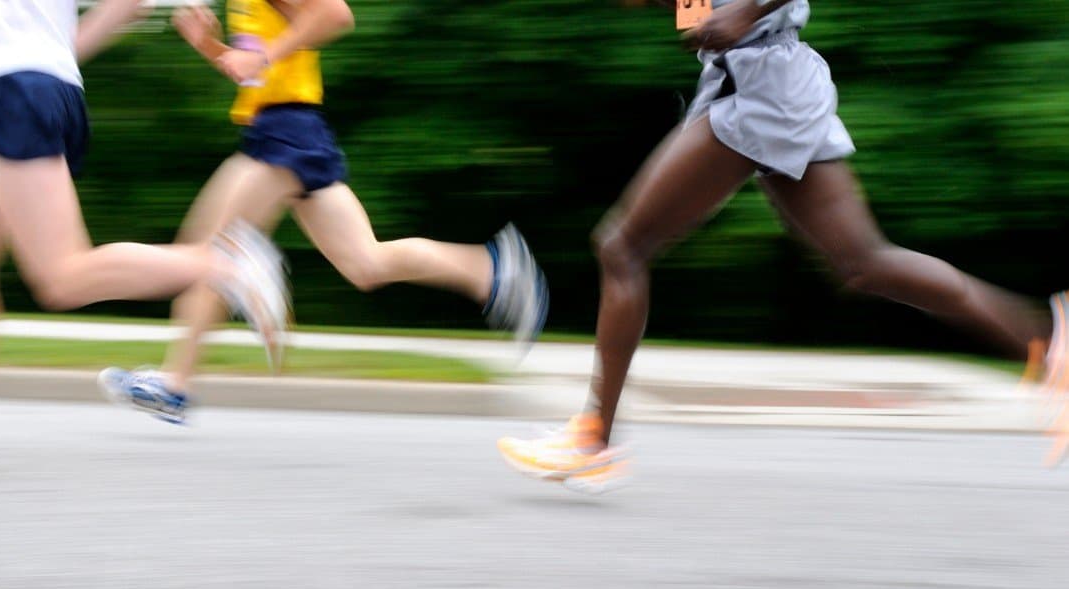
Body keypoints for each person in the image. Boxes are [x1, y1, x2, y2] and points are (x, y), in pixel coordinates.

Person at [497, 0, 1066, 493]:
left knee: (622, 248)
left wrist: (747, 10)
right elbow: (695, 14)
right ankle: (1048, 338)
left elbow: (738, 12)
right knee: (865, 264)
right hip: (768, 81)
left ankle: (593, 438)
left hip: (765, 86)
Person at [0, 0, 290, 476]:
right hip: (32, 87)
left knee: (62, 275)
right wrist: (52, 56)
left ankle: (227, 265)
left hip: (12, 91)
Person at [96, 0, 549, 424]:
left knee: (206, 251)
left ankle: (179, 378)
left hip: (284, 134)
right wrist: (211, 47)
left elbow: (333, 13)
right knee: (367, 263)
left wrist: (264, 55)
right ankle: (494, 271)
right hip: (288, 130)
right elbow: (256, 68)